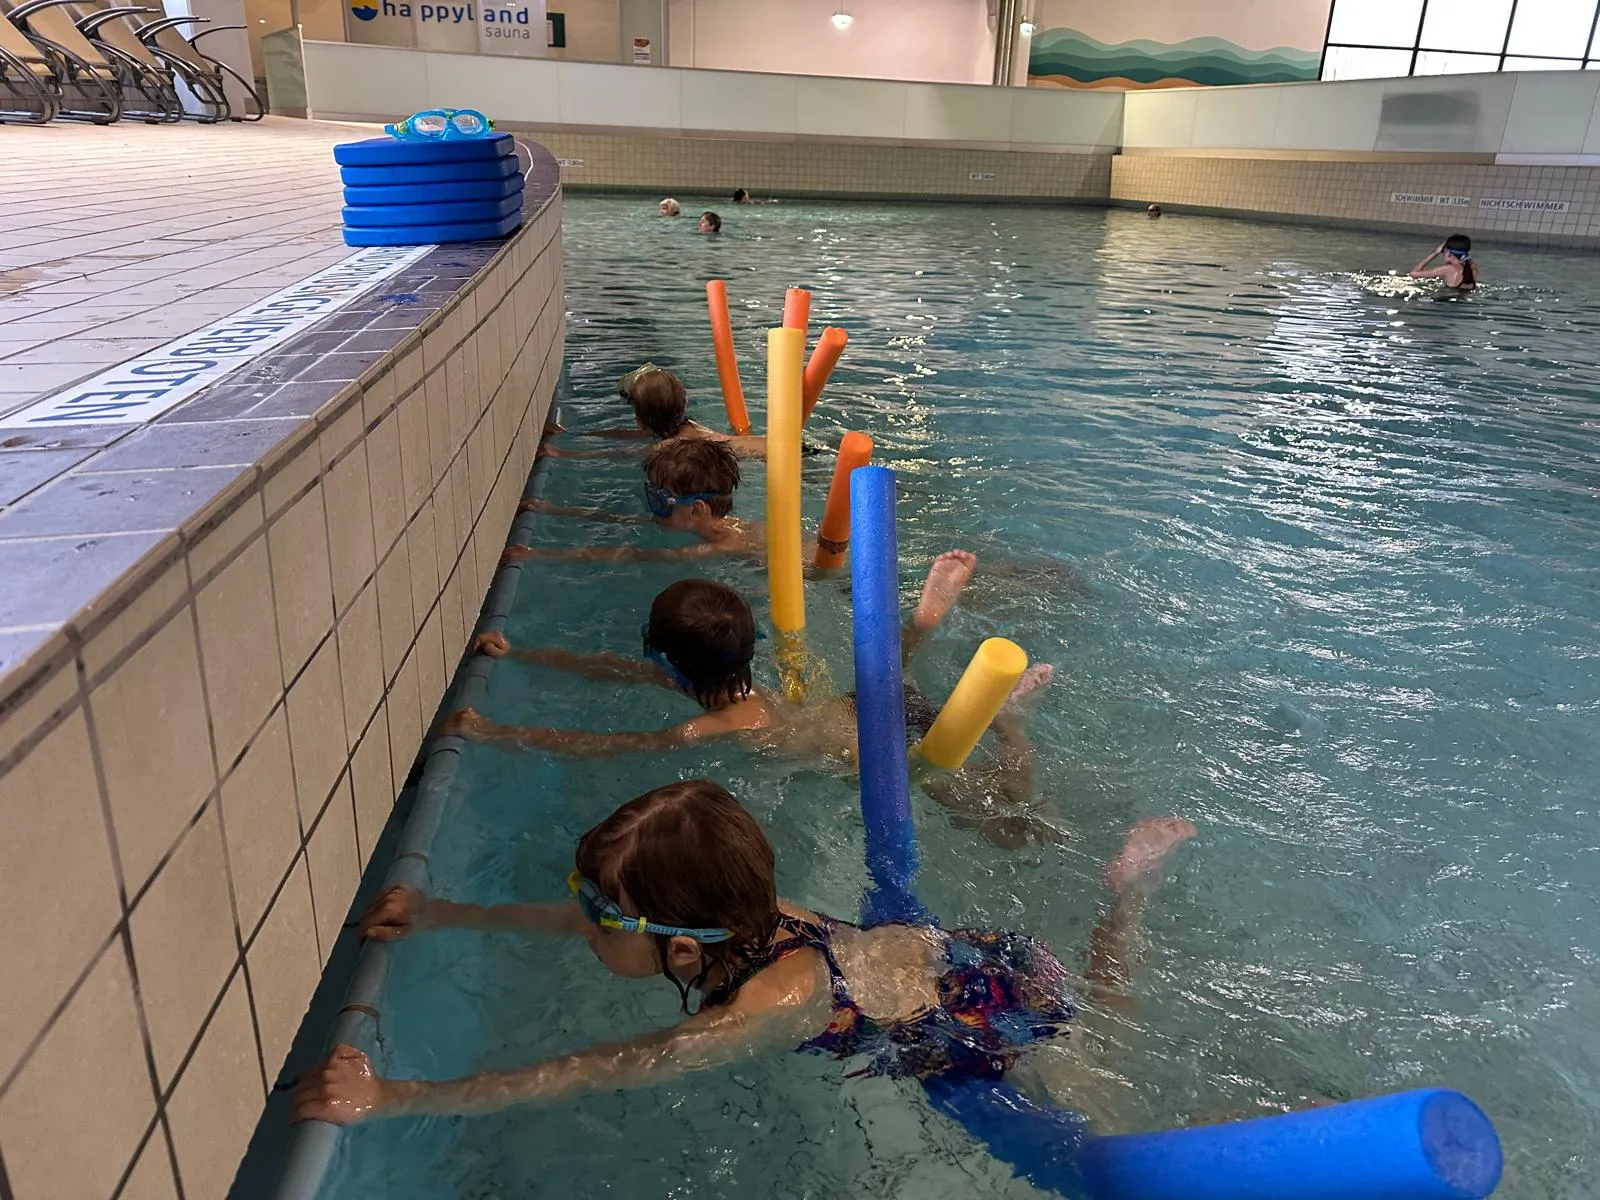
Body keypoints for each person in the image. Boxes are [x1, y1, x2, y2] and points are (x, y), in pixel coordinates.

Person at [291, 779, 1196, 1127]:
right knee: (1109, 1017)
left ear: (682, 952)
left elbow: (601, 1067)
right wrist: (448, 912)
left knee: (1116, 1107)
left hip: (983, 1021)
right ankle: (1122, 903)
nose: (581, 920)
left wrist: (399, 1098)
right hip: (963, 953)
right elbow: (580, 923)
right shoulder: (756, 913)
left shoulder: (767, 1004)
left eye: (597, 913)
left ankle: (1128, 905)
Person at [451, 557, 1059, 847]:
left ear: (670, 664)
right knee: (893, 676)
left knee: (1004, 822)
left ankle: (1010, 721)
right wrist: (520, 652)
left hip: (866, 752)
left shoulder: (709, 725)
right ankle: (924, 622)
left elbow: (610, 745)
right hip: (847, 710)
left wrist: (495, 731)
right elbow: (609, 668)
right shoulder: (727, 673)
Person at [503, 439, 766, 563]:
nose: (652, 509)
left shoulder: (722, 545)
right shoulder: (711, 526)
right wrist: (551, 509)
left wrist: (537, 554)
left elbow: (635, 554)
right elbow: (621, 518)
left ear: (696, 510)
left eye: (659, 500)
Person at [539, 367, 767, 460]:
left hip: (779, 454)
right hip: (778, 447)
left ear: (640, 419)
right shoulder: (685, 427)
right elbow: (625, 436)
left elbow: (621, 454)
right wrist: (576, 433)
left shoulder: (671, 444)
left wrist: (563, 454)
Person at [1409, 234, 1477, 290]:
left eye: (1443, 251)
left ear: (1449, 253)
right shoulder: (1473, 269)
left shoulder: (1448, 269)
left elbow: (1413, 274)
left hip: (1446, 303)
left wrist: (1435, 253)